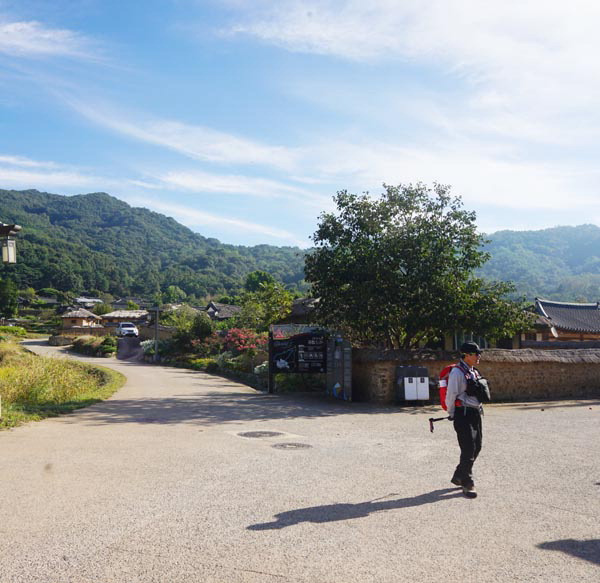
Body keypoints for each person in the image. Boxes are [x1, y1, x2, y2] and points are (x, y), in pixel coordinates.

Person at [445, 341, 485, 499]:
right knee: (468, 448)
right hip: (463, 414)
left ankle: (459, 475)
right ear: (467, 355)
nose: (478, 356)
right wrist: (451, 412)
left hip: (475, 413)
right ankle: (467, 483)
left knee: (477, 447)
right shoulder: (457, 373)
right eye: (476, 354)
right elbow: (451, 394)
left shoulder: (473, 371)